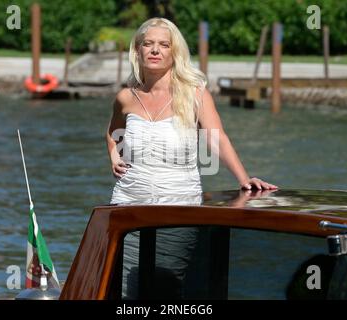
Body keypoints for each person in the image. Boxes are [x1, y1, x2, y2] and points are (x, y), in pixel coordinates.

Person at [105, 17, 278, 299]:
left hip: (178, 208)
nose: (155, 50)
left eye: (164, 45)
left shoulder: (195, 94)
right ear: (137, 51)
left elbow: (216, 137)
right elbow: (112, 133)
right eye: (148, 44)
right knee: (127, 295)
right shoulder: (126, 97)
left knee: (166, 291)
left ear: (175, 53)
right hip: (127, 209)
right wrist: (114, 155)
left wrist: (244, 179)